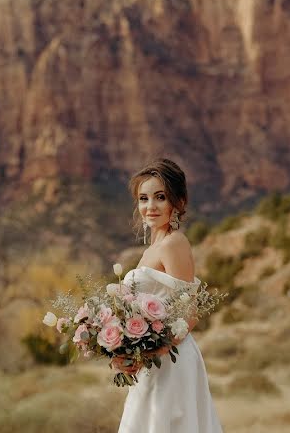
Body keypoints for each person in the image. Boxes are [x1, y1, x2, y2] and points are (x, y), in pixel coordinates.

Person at [116, 158, 224, 433]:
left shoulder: (174, 243)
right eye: (143, 198)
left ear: (178, 202)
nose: (150, 206)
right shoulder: (151, 249)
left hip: (171, 359)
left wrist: (153, 350)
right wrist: (122, 350)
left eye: (160, 197)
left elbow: (190, 311)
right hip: (152, 363)